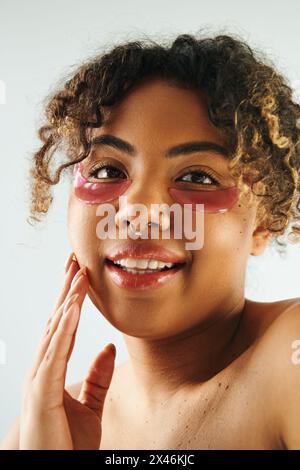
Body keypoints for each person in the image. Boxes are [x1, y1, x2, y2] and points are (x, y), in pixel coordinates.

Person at [1, 31, 300, 450]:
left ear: (262, 222)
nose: (137, 213)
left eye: (197, 177)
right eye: (107, 171)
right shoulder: (45, 425)